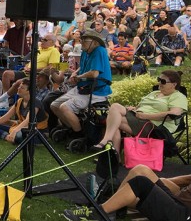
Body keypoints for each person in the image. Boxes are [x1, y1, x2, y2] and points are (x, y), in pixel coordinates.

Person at [92, 70, 187, 153]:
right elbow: (142, 105)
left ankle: (109, 147)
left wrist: (145, 116)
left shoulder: (178, 97)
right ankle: (114, 154)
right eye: (159, 79)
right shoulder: (155, 93)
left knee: (113, 120)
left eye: (163, 81)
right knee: (115, 108)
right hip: (137, 118)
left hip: (153, 127)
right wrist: (134, 108)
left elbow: (173, 114)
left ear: (174, 84)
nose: (159, 83)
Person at [62, 165, 191, 220]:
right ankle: (111, 208)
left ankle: (98, 214)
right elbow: (187, 179)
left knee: (141, 183)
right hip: (180, 199)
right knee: (142, 171)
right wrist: (160, 185)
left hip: (183, 215)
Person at [50, 30, 112, 139]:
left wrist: (78, 76)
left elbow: (94, 73)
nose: (82, 41)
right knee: (54, 105)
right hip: (82, 88)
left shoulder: (99, 51)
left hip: (96, 91)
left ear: (95, 42)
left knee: (64, 107)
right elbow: (81, 67)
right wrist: (75, 73)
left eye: (85, 40)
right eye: (81, 39)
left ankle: (78, 134)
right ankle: (72, 127)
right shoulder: (84, 52)